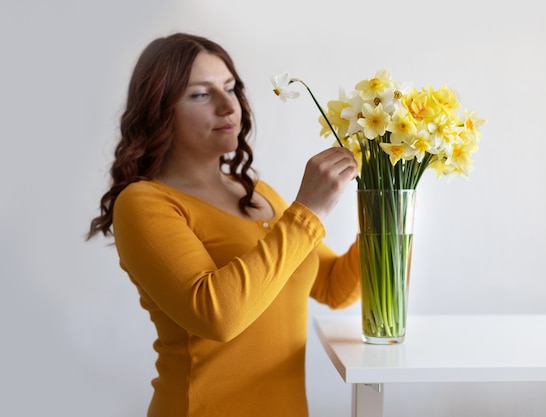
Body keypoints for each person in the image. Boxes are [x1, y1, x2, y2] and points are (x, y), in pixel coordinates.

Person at [87, 32, 361, 417]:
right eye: (201, 94)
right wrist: (308, 211)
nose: (228, 106)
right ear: (159, 109)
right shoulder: (144, 203)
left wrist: (396, 205)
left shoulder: (258, 193)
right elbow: (216, 316)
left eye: (231, 88)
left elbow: (335, 286)